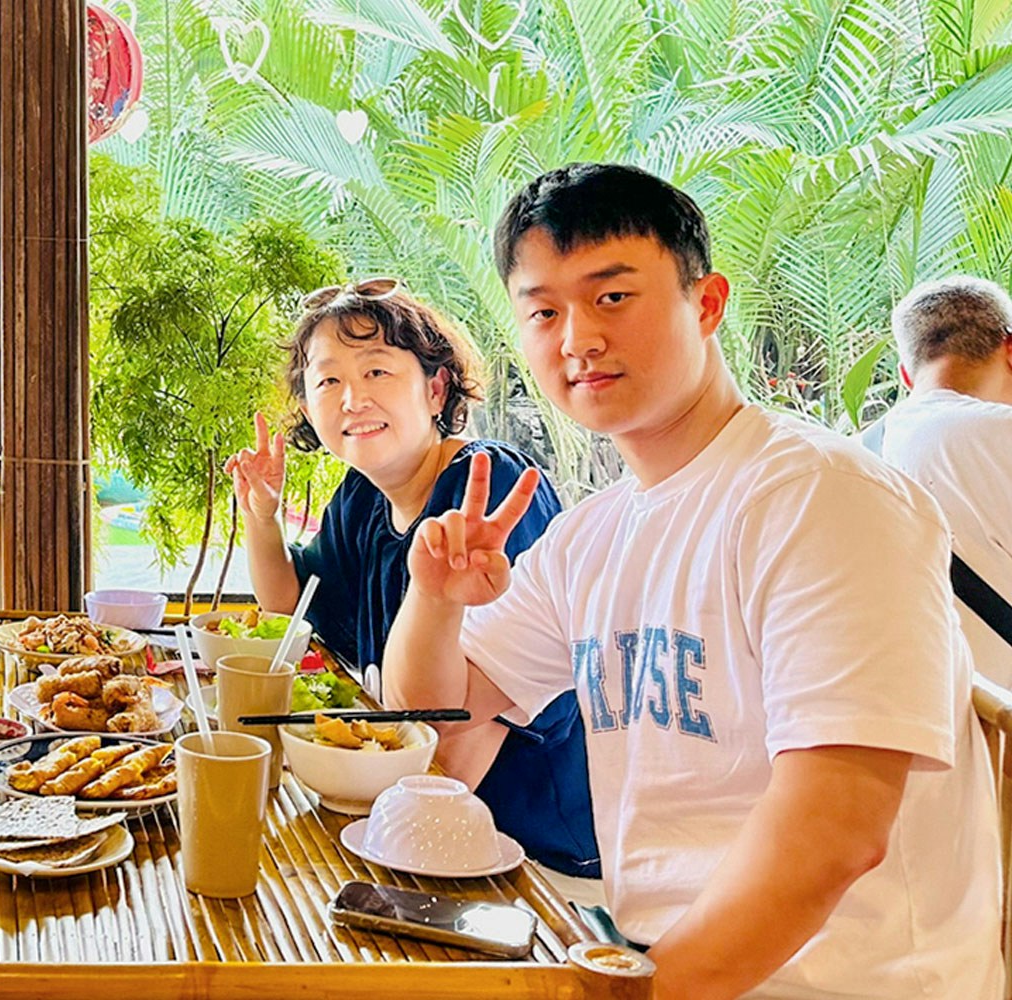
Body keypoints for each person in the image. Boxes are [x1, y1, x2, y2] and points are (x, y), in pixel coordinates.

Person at [383, 163, 1002, 998]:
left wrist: (639, 993)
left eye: (611, 297)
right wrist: (434, 600)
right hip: (666, 961)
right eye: (543, 311)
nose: (576, 340)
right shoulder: (591, 537)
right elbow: (438, 726)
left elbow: (837, 834)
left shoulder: (823, 497)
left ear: (706, 304)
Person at [225, 282, 600, 884]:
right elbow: (292, 609)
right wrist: (261, 518)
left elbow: (478, 716)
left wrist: (393, 846)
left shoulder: (486, 483)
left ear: (435, 388)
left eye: (377, 371)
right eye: (327, 381)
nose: (352, 399)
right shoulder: (360, 499)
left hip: (531, 856)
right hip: (423, 823)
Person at [876, 276, 1012, 686]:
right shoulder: (1000, 435)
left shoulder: (852, 458)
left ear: (906, 375)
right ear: (1010, 349)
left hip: (921, 727)